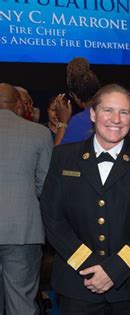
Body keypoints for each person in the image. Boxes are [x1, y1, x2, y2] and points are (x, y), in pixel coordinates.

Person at [40, 84, 130, 315]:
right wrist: (89, 266)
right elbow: (53, 219)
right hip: (78, 284)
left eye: (124, 112)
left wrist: (116, 270)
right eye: (108, 110)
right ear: (93, 114)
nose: (116, 119)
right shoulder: (64, 158)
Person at [0, 83, 53, 314]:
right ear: (20, 106)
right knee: (21, 301)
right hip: (22, 230)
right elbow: (45, 187)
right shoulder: (39, 133)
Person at [60, 57, 101, 145]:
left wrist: (62, 123)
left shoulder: (78, 122)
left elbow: (58, 156)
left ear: (74, 95)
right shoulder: (114, 113)